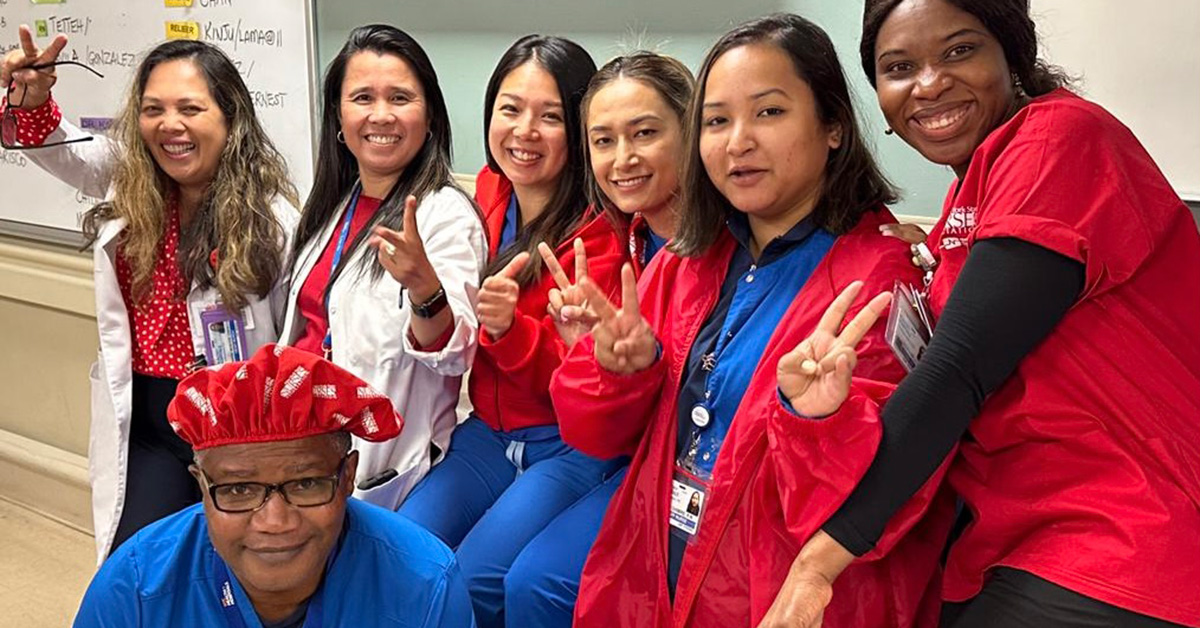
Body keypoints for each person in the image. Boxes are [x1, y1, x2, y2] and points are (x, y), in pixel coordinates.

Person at [769, 1, 1200, 627]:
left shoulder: (1059, 138)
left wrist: (818, 563)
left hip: (1118, 534)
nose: (929, 82)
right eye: (899, 66)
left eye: (959, 51)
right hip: (1008, 535)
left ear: (1011, 52)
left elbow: (958, 368)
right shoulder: (963, 197)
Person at [552, 15, 954, 628]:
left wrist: (816, 420)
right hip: (652, 576)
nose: (737, 141)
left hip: (781, 596)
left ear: (834, 127)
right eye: (716, 120)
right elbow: (598, 438)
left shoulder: (878, 281)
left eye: (768, 112)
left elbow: (887, 508)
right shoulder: (686, 263)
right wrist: (619, 374)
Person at [1, 27, 299, 561]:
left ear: (230, 119)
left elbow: (295, 339)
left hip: (235, 424)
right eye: (153, 109)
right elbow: (69, 155)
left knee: (241, 569)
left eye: (191, 108)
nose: (170, 125)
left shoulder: (272, 221)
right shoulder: (133, 186)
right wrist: (37, 99)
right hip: (147, 422)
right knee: (140, 565)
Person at [396, 35, 626, 628]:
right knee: (405, 552)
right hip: (489, 436)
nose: (525, 131)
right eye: (510, 108)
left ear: (579, 131)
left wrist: (512, 332)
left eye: (551, 116)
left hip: (567, 444)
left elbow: (590, 375)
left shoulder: (602, 234)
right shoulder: (491, 198)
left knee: (475, 582)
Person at [72, 343, 475, 627]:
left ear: (347, 477)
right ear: (201, 485)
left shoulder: (423, 584)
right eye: (238, 490)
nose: (275, 521)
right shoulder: (135, 588)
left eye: (305, 484)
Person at [501, 51, 695, 628]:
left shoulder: (725, 246)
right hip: (626, 457)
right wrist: (587, 351)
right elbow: (592, 424)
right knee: (522, 581)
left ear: (693, 131)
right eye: (604, 141)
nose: (623, 159)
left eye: (645, 134)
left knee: (536, 583)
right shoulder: (634, 238)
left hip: (684, 473)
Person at [277, 24, 487, 510]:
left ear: (430, 115)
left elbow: (455, 354)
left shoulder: (445, 215)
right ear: (338, 116)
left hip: (377, 456)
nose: (381, 115)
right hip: (299, 438)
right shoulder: (334, 205)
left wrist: (424, 288)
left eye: (400, 98)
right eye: (362, 98)